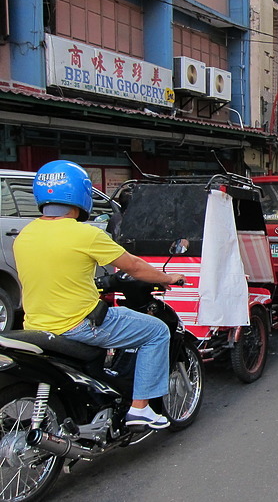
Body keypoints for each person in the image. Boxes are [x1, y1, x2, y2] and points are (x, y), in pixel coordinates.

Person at [14, 160, 186, 429]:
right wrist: (167, 278)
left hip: (36, 326)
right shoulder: (85, 233)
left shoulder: (25, 234)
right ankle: (140, 409)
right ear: (81, 195)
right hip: (79, 325)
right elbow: (134, 266)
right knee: (156, 332)